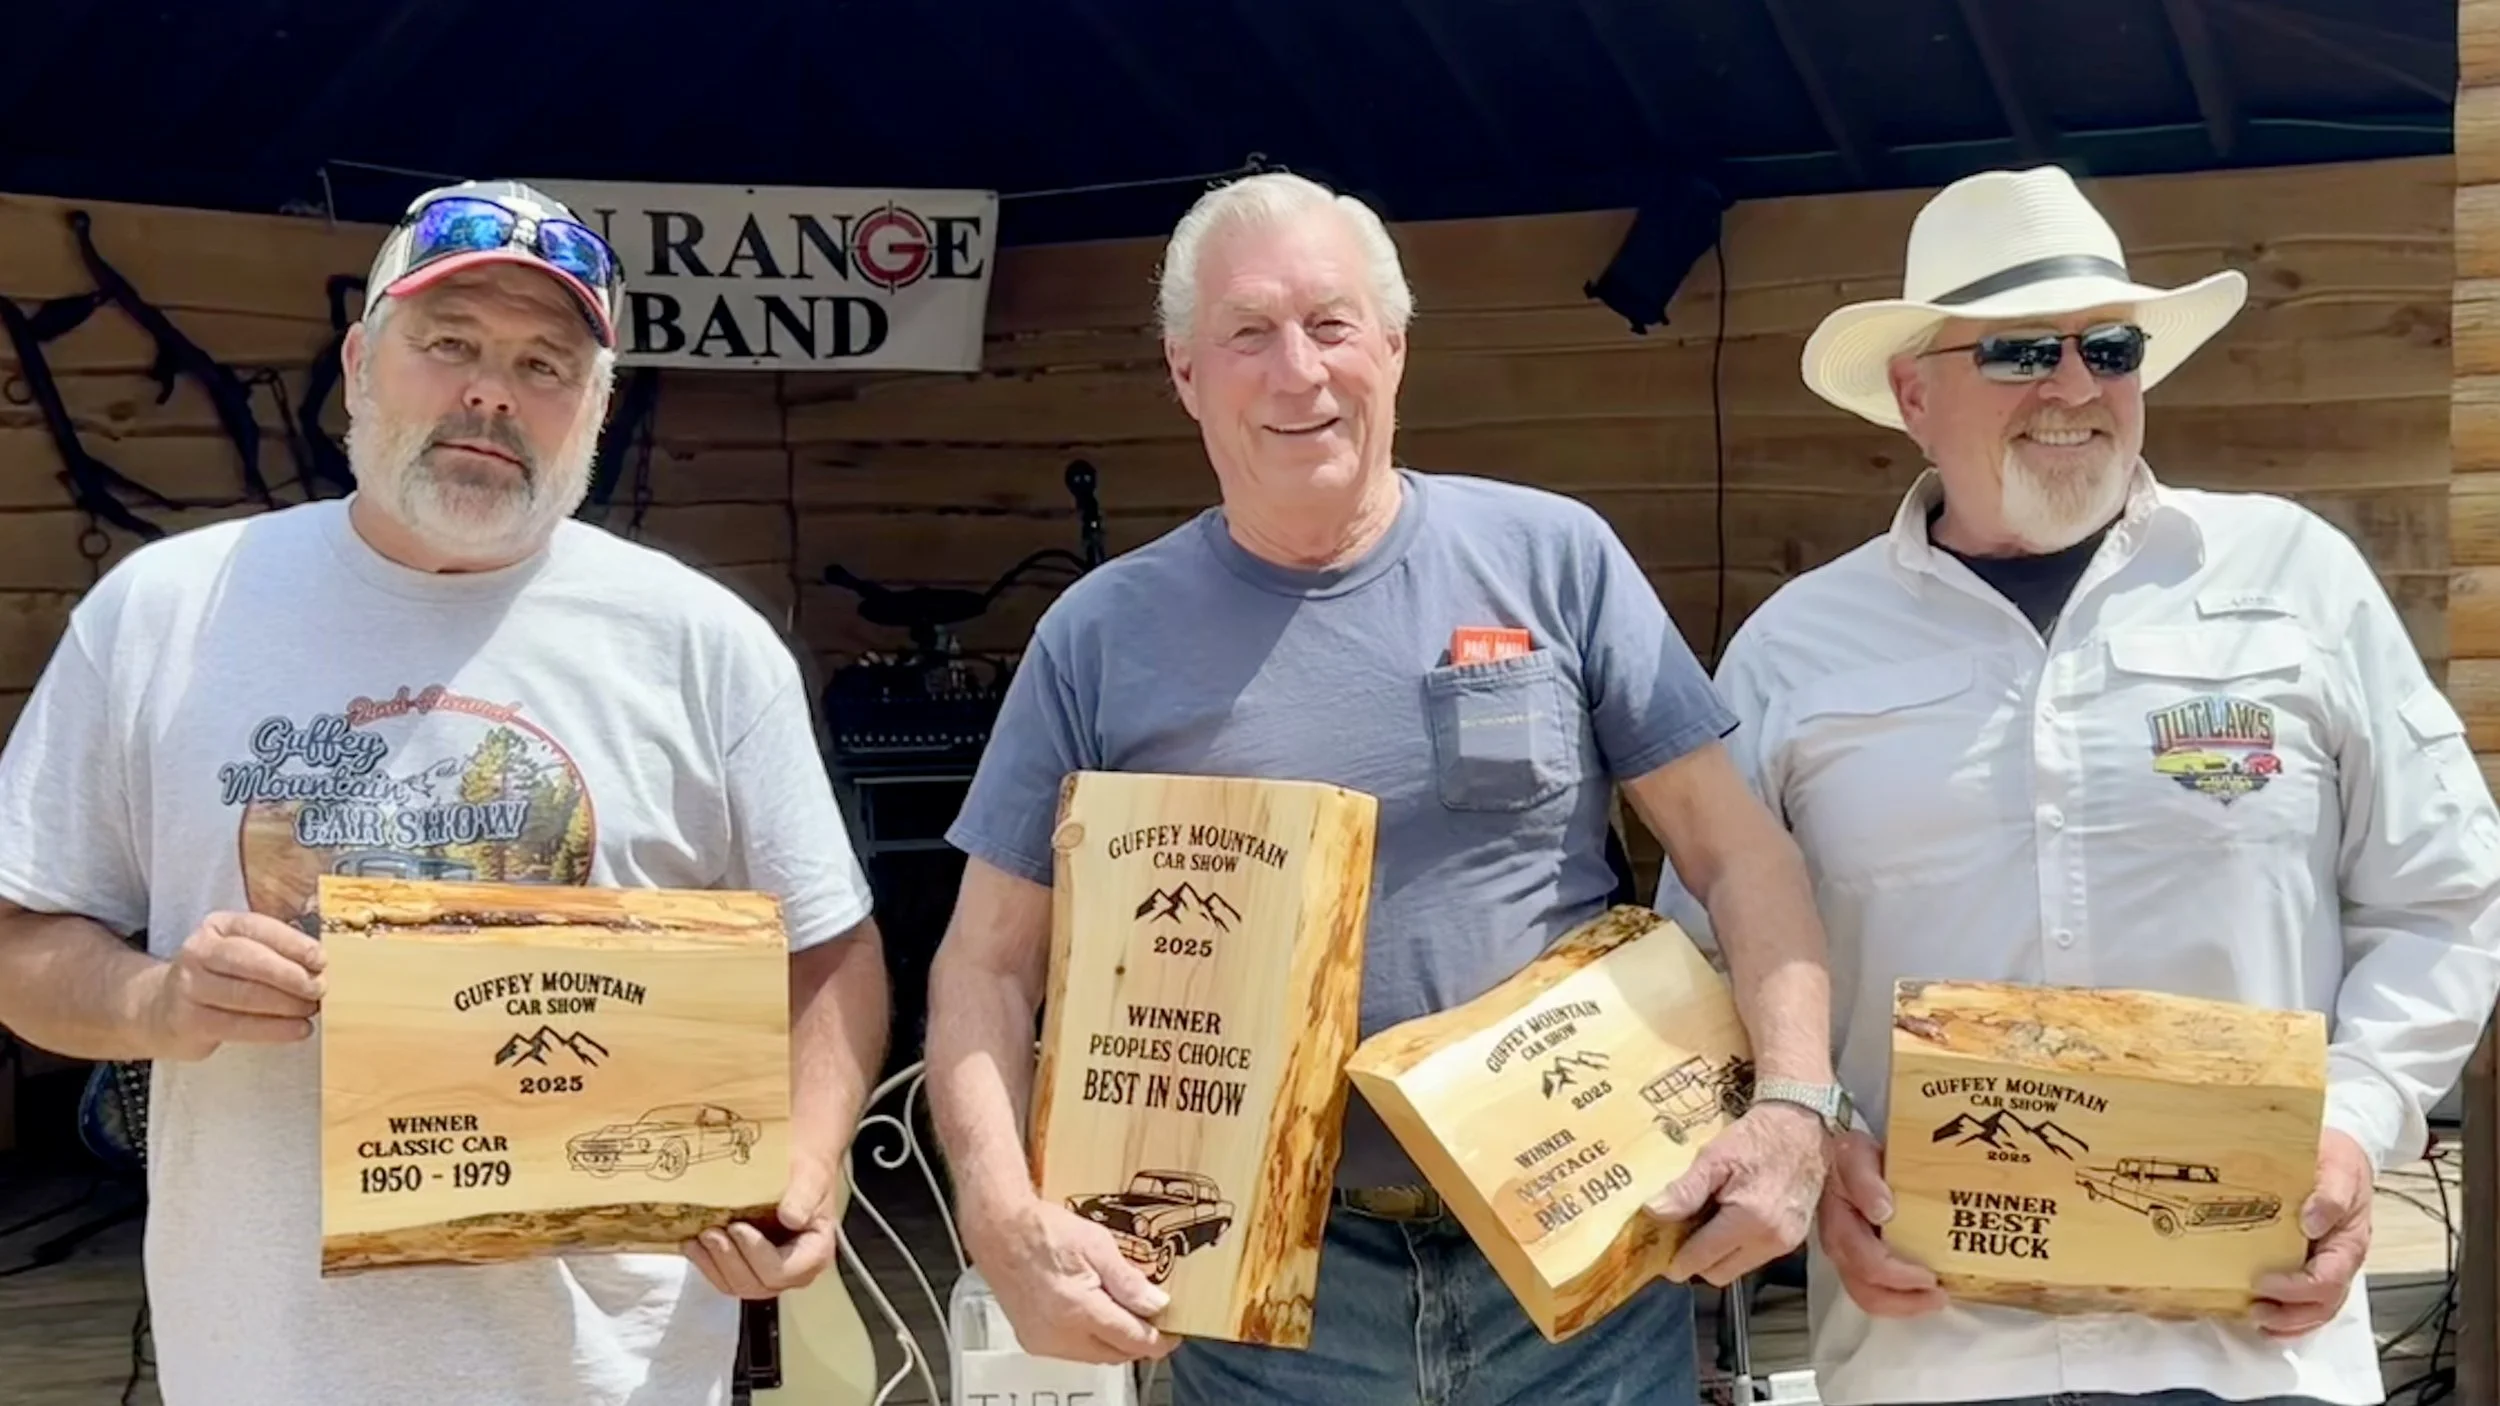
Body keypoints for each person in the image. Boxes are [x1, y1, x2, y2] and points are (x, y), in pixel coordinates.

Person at [922, 170, 1848, 1404]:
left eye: (1331, 323)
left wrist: (1792, 1107)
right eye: (1247, 333)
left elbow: (1740, 853)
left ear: (1396, 348)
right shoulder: (1098, 636)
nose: (1296, 371)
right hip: (1257, 1293)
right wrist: (996, 1210)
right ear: (1185, 372)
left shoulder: (1551, 559)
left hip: (1582, 1253)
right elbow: (986, 961)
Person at [0, 179, 891, 1406]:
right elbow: (19, 940)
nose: (492, 391)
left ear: (597, 406)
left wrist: (806, 1159)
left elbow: (830, 954)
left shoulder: (703, 643)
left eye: (544, 361)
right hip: (268, 1369)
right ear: (363, 362)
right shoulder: (165, 612)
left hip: (620, 1375)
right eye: (450, 343)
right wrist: (159, 998)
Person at [1702, 163, 2500, 1405]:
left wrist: (2358, 1119)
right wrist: (1812, 1144)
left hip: (2252, 1353)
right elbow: (1706, 968)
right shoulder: (1795, 649)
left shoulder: (2298, 580)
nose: (2074, 386)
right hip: (1933, 1356)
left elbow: (2447, 890)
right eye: (2020, 350)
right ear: (1913, 392)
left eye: (2108, 345)